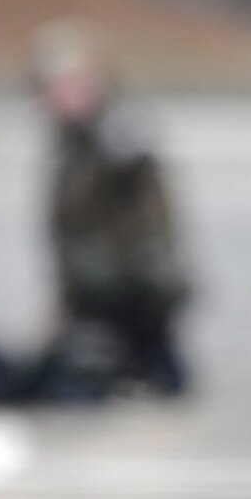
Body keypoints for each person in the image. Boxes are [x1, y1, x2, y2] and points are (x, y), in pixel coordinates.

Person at [26, 20, 192, 400]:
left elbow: (135, 171)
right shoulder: (70, 145)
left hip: (130, 290)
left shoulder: (112, 132)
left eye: (72, 85)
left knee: (160, 375)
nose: (61, 97)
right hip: (95, 289)